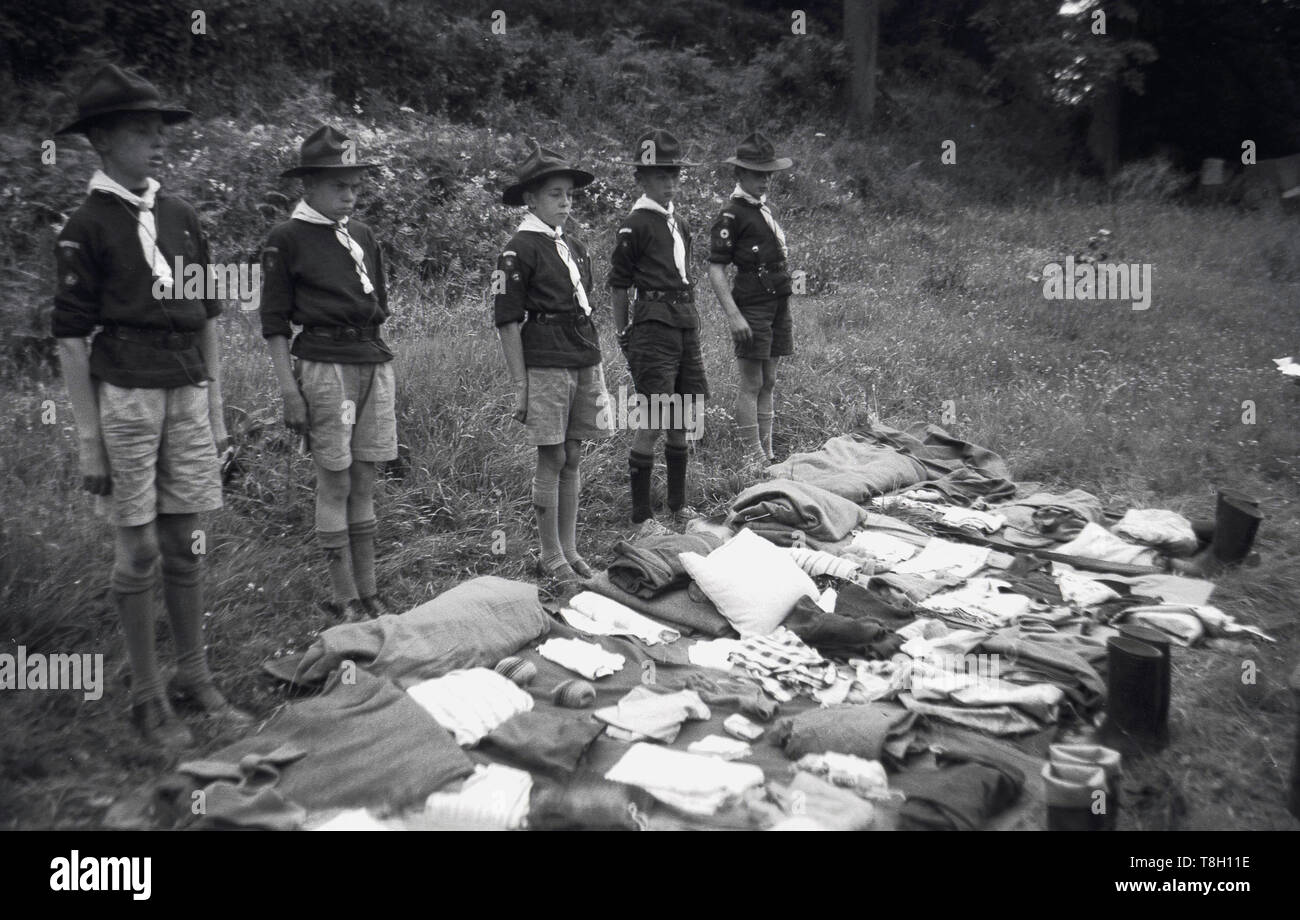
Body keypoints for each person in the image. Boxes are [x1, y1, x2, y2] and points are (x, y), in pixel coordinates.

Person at [52, 64, 250, 751]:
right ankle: (146, 696)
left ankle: (195, 676)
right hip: (127, 396)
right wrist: (88, 438)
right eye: (140, 131)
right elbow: (73, 339)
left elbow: (209, 318)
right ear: (102, 141)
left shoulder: (181, 217)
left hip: (187, 390)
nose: (156, 143)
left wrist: (217, 407)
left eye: (160, 130)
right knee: (136, 550)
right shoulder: (87, 225)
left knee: (184, 542)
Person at [260, 126, 396, 621]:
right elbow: (274, 323)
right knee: (334, 481)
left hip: (371, 362)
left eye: (356, 186)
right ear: (309, 185)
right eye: (339, 186)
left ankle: (368, 590)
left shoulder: (360, 235)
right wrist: (289, 392)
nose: (350, 196)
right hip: (324, 366)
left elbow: (377, 300)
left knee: (365, 479)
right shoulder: (286, 238)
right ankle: (343, 597)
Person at [492, 141, 612, 589]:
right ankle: (549, 555)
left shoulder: (575, 247)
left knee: (575, 452)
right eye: (555, 195)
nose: (565, 202)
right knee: (552, 453)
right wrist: (519, 384)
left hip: (582, 354)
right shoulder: (517, 250)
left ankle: (571, 548)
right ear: (531, 199)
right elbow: (506, 320)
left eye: (569, 194)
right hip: (544, 360)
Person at [609, 128, 709, 535]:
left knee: (683, 415)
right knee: (653, 415)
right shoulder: (635, 225)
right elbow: (619, 284)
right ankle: (640, 517)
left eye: (674, 175)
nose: (669, 183)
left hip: (684, 323)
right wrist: (623, 335)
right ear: (642, 179)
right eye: (660, 176)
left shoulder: (679, 224)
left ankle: (678, 506)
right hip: (652, 327)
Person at [707, 132, 796, 466]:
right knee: (752, 381)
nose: (765, 180)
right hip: (752, 305)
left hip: (777, 303)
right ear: (740, 174)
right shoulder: (732, 215)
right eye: (758, 174)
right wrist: (734, 315)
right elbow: (716, 270)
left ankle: (768, 452)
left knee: (769, 380)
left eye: (768, 174)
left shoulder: (761, 210)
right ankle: (751, 455)